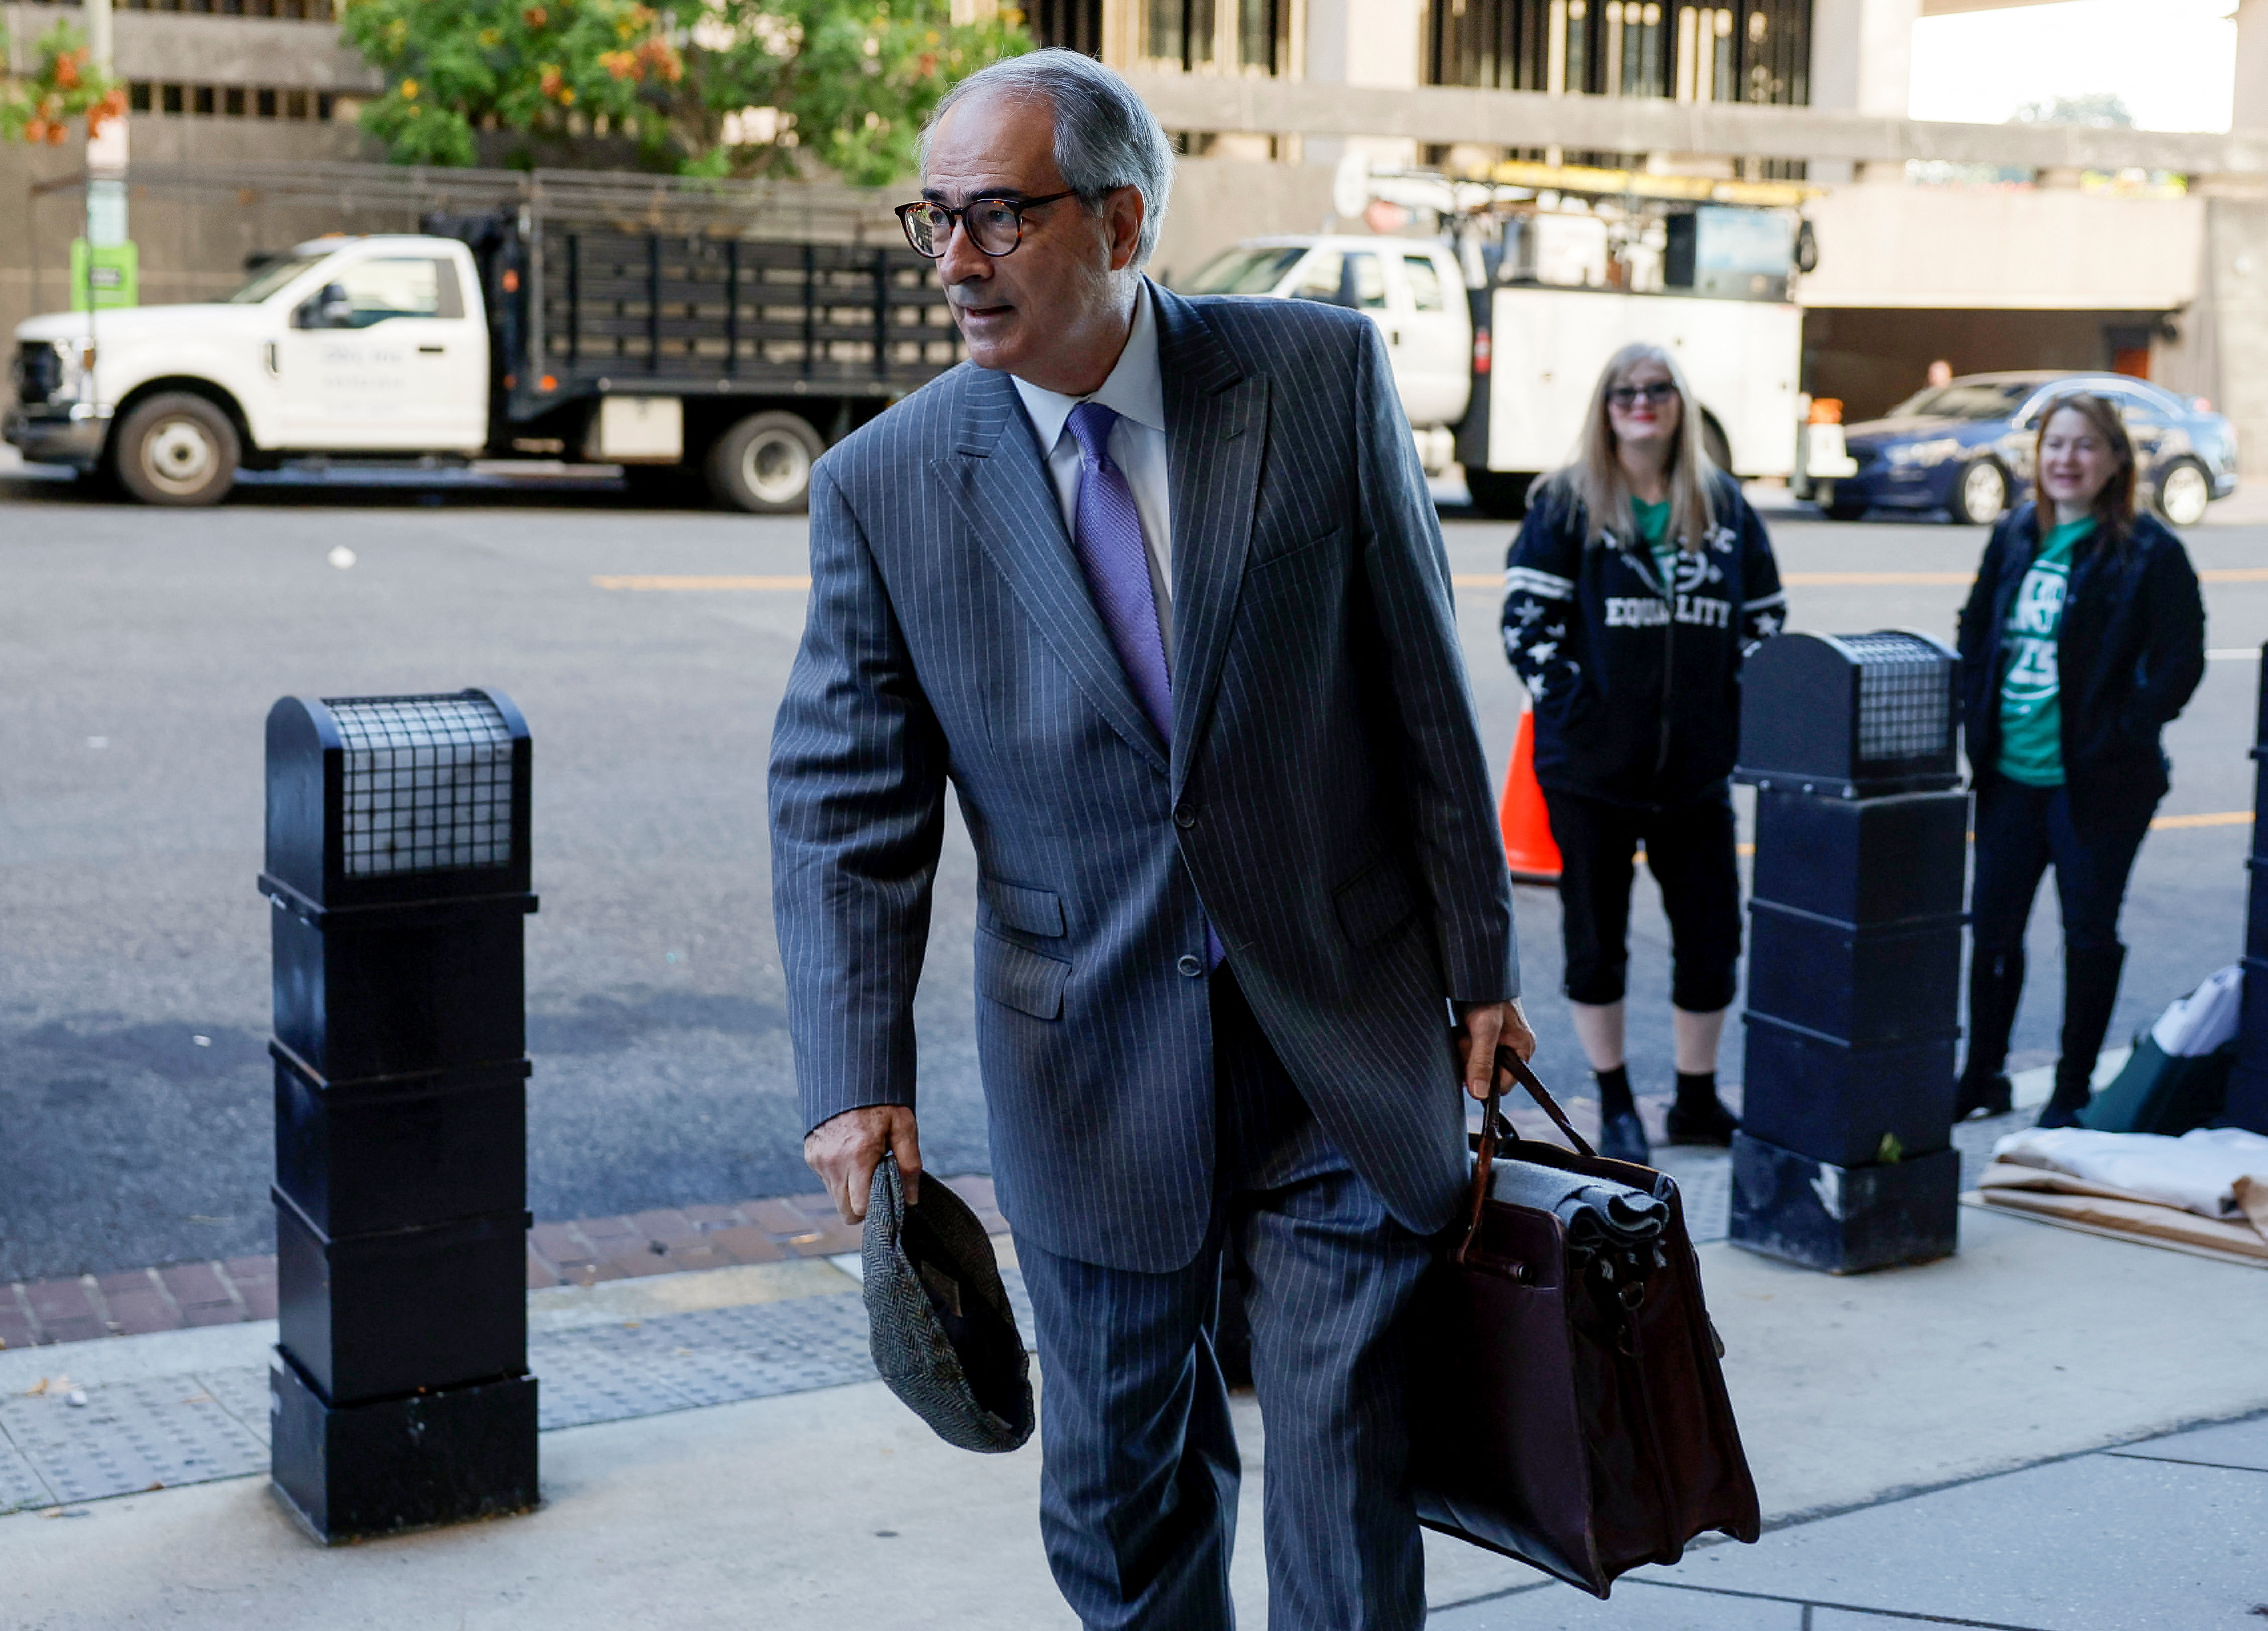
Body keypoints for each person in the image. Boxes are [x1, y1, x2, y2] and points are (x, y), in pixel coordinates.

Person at [768, 51, 1532, 1631]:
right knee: (1122, 1503)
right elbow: (846, 803)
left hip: (1340, 1033)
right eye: (936, 221)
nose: (956, 262)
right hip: (1091, 1067)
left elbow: (1417, 694)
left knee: (1346, 1485)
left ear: (1120, 220)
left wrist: (1479, 965)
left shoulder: (1314, 377)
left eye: (996, 217)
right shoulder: (887, 486)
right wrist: (857, 1073)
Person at [1500, 343, 1784, 1166]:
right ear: (1604, 406)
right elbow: (1526, 625)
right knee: (1598, 938)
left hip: (1696, 772)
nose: (1641, 401)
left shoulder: (1722, 505)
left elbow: (1764, 621)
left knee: (1710, 938)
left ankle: (1696, 1099)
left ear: (1679, 405)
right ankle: (1615, 1097)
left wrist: (1732, 712)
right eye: (1625, 390)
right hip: (1590, 773)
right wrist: (1582, 712)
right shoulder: (1566, 502)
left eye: (1658, 389)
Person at [1954, 392, 2204, 1127]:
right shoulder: (2013, 536)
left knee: (2087, 936)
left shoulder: (2148, 550)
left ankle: (2069, 1087)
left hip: (2098, 787)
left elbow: (2179, 663)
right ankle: (1982, 1074)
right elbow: (1975, 634)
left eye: (2084, 445)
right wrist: (1977, 723)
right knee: (1992, 931)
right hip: (2008, 778)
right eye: (2054, 444)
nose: (2066, 459)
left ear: (2115, 460)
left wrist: (2118, 731)